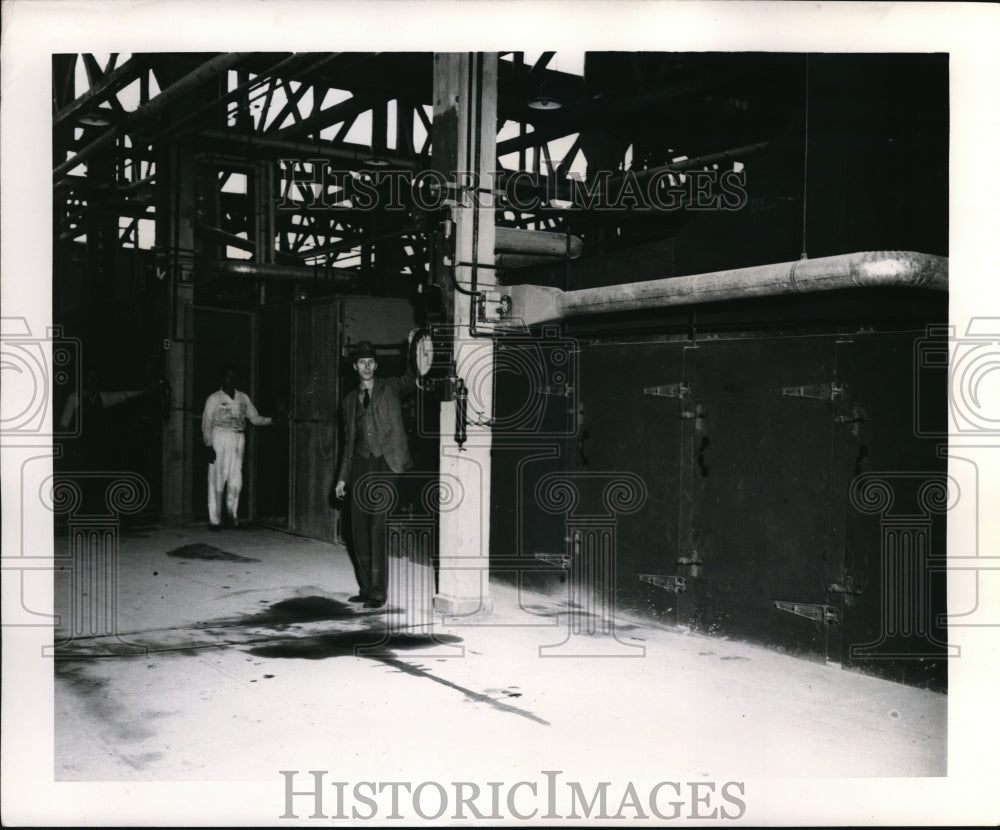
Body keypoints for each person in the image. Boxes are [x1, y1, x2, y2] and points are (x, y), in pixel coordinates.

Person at [334, 339, 416, 608]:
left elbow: (411, 377)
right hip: (360, 463)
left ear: (376, 365)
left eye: (371, 362)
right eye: (361, 362)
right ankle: (366, 587)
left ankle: (379, 591)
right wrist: (343, 478)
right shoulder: (348, 401)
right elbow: (348, 443)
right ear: (355, 367)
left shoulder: (390, 387)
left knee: (376, 524)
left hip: (385, 463)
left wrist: (415, 347)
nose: (366, 366)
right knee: (356, 528)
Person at [201, 364, 273, 530]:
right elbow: (207, 424)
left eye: (233, 376)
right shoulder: (213, 399)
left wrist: (272, 420)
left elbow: (254, 418)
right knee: (216, 479)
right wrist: (209, 445)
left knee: (235, 478)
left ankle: (232, 517)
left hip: (238, 438)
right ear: (222, 378)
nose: (230, 380)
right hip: (219, 437)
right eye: (227, 376)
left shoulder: (243, 397)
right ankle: (215, 520)